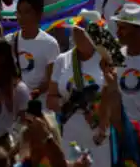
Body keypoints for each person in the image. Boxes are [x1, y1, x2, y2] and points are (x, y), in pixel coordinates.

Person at [47, 11, 115, 164]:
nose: (76, 35)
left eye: (81, 32)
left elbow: (115, 96)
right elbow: (50, 98)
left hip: (99, 132)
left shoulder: (106, 60)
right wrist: (65, 104)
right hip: (71, 131)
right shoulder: (62, 60)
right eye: (75, 30)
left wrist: (100, 119)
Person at [9, 0, 60, 101]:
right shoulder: (10, 41)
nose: (21, 17)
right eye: (18, 12)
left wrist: (35, 93)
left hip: (40, 106)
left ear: (39, 14)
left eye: (27, 12)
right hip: (16, 105)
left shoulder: (50, 44)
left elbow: (51, 79)